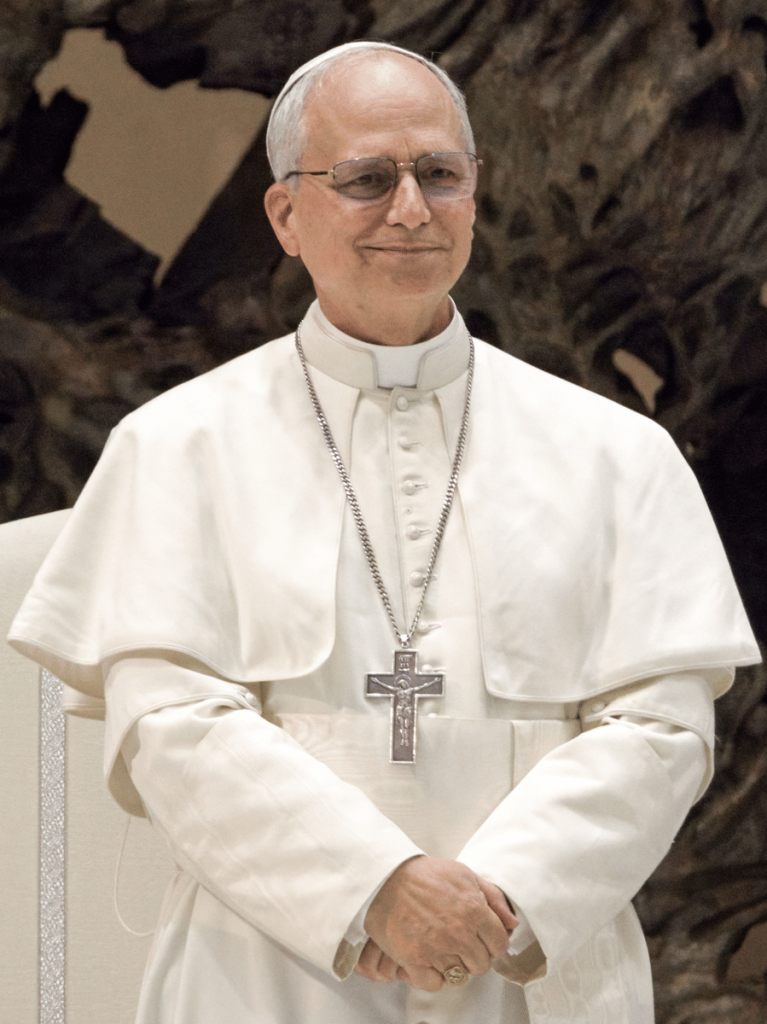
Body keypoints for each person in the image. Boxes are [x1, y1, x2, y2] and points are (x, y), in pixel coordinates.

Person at [9, 40, 759, 1024]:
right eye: (366, 179)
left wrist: (498, 900)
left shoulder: (617, 454)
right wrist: (378, 888)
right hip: (267, 980)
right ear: (285, 214)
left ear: (474, 196)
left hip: (533, 971)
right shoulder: (177, 447)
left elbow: (661, 726)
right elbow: (168, 722)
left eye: (439, 175)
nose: (410, 210)